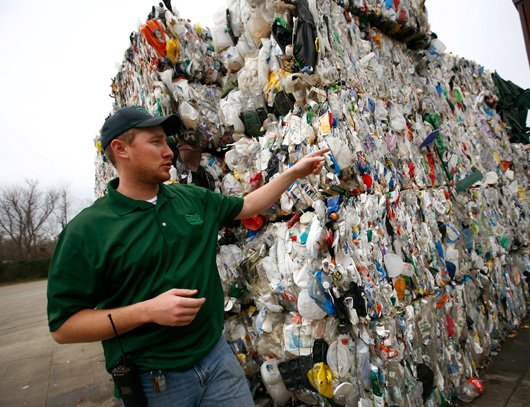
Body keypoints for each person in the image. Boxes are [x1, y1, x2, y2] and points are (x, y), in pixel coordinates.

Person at [47, 106, 329, 406]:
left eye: (166, 141)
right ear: (120, 148)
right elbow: (64, 327)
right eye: (155, 141)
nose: (169, 150)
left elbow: (247, 207)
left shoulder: (191, 198)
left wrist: (292, 174)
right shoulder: (87, 231)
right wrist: (147, 311)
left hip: (217, 359)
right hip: (155, 382)